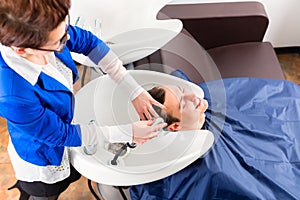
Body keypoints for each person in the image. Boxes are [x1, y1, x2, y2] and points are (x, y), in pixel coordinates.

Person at [0, 0, 167, 199]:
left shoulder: (49, 31)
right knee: (44, 193)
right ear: (21, 50)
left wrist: (133, 90)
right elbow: (59, 134)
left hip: (63, 134)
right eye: (59, 41)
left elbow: (88, 42)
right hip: (42, 159)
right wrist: (126, 132)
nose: (68, 38)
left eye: (66, 28)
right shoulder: (13, 96)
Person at [132, 77, 300, 199]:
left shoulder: (204, 102)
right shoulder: (211, 168)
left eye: (182, 90)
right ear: (175, 126)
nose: (193, 96)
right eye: (183, 103)